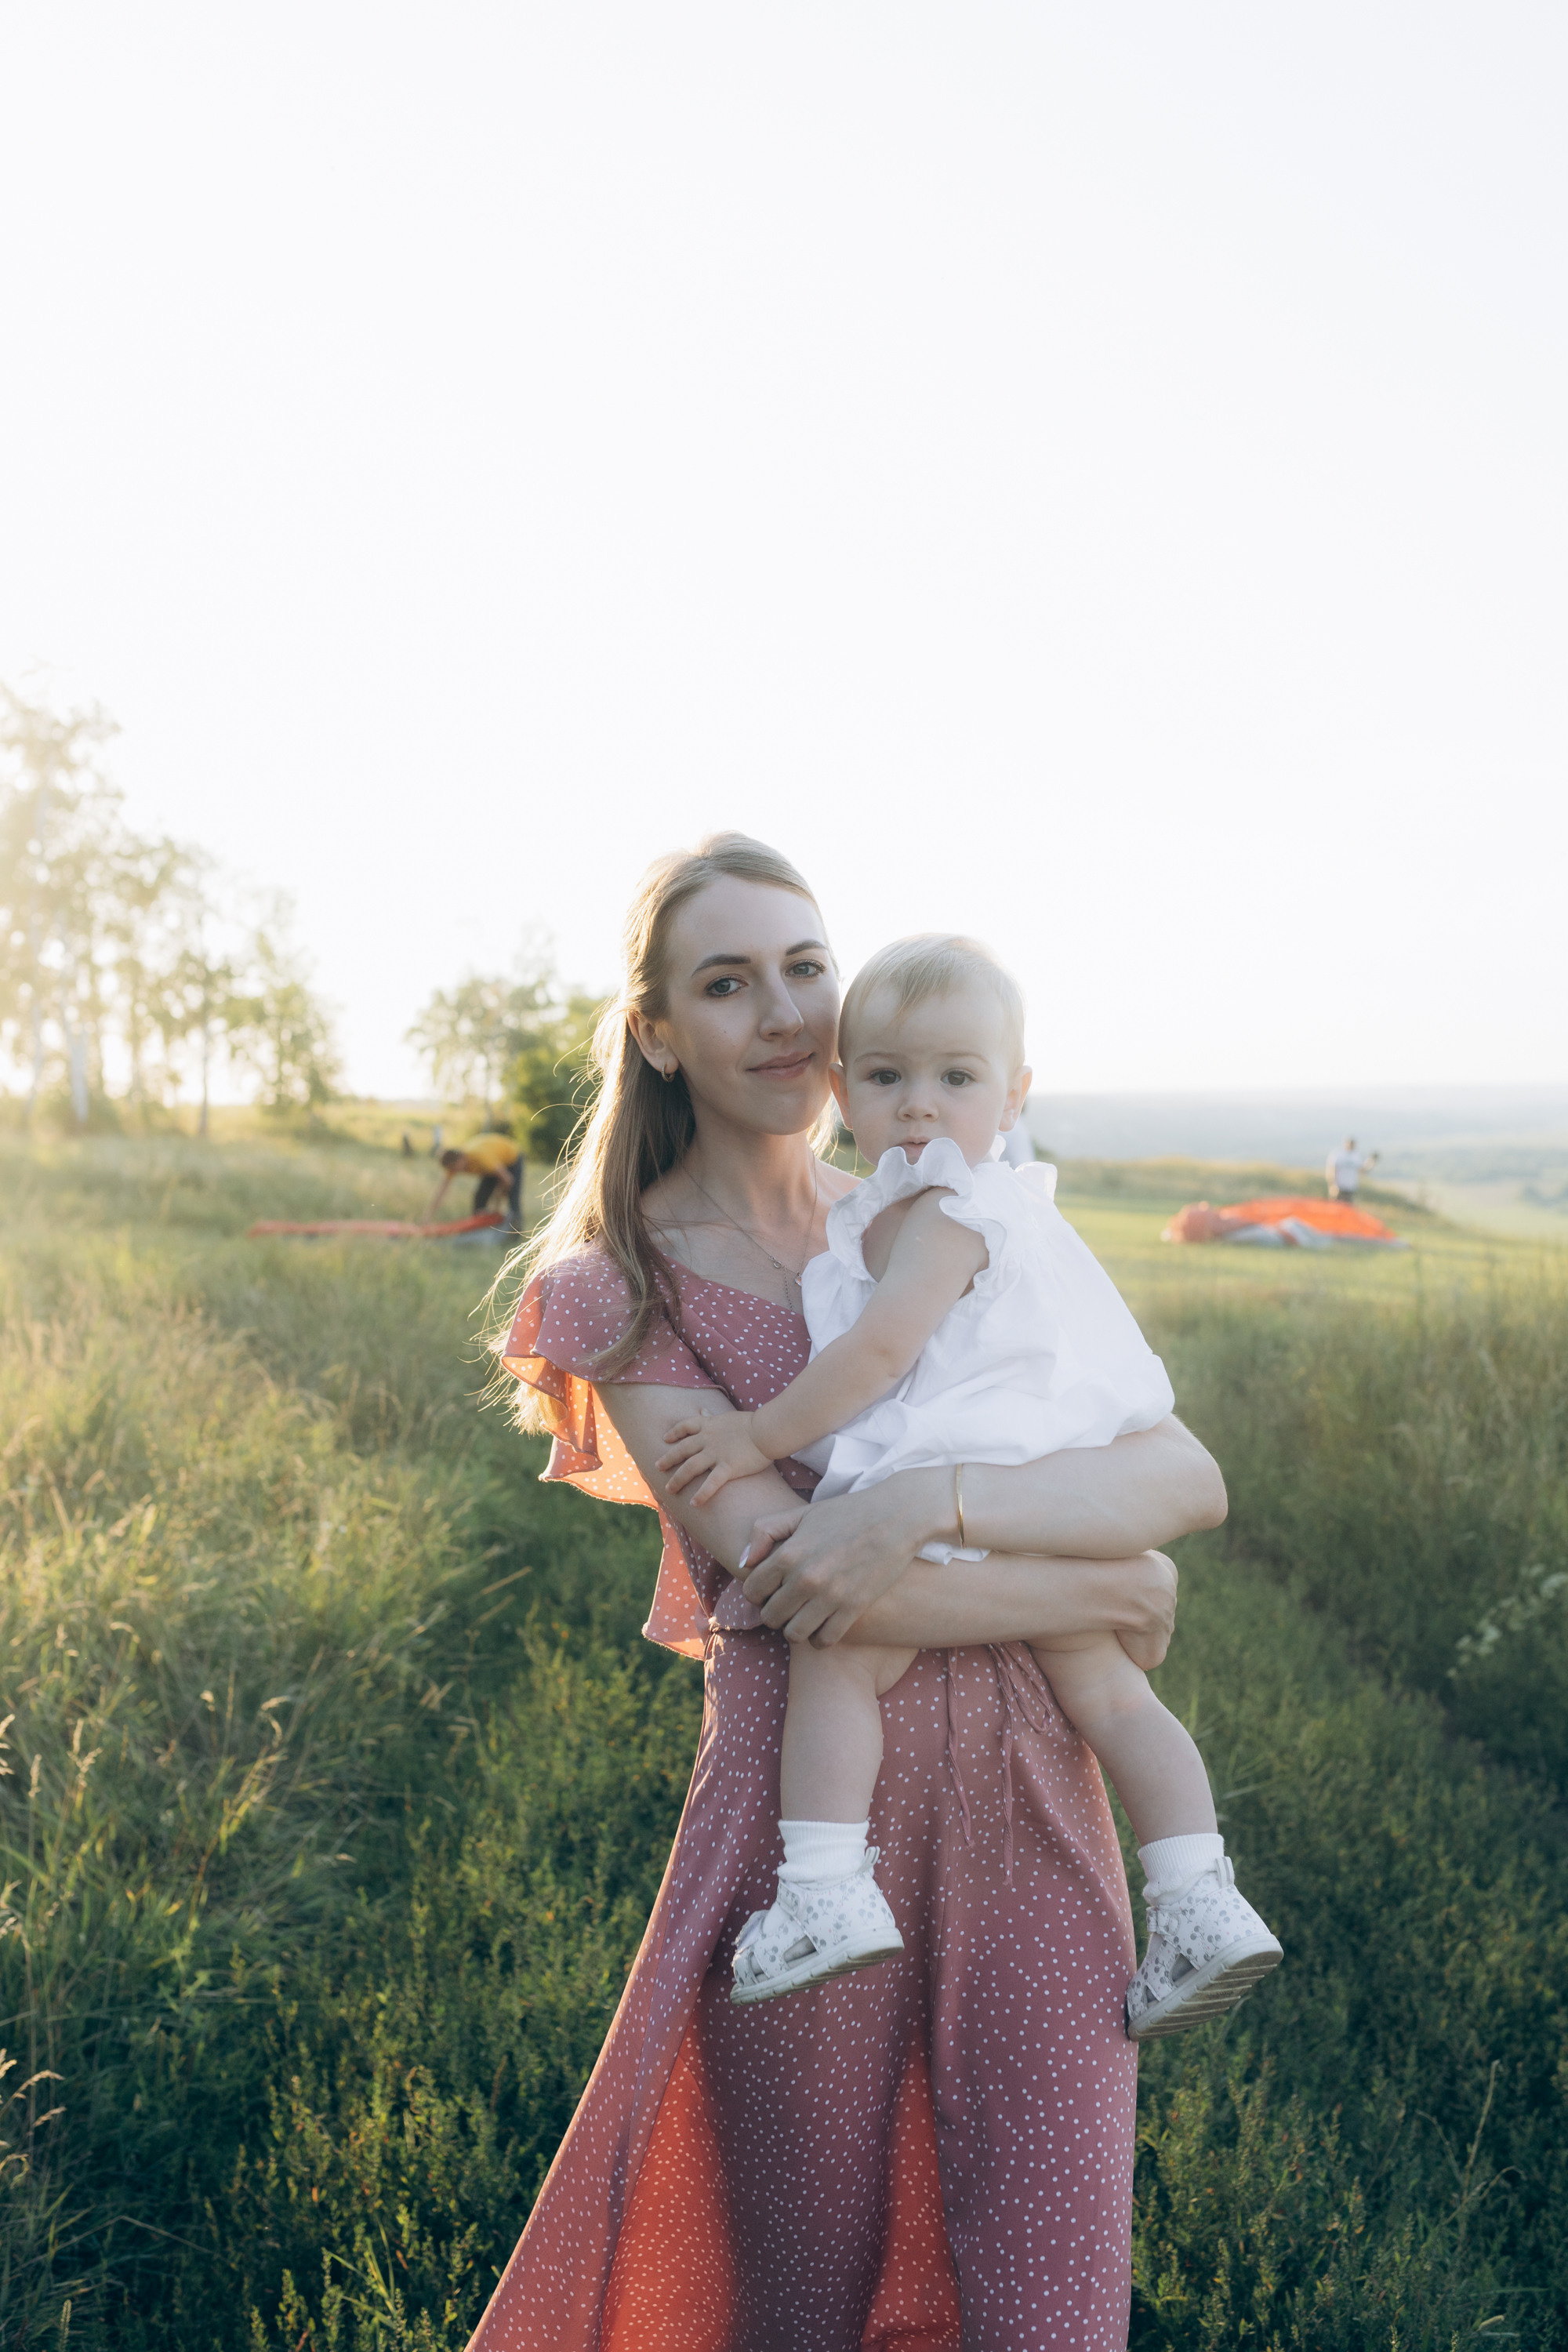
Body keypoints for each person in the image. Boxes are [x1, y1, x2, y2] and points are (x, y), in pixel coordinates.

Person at [467, 834, 1229, 2352]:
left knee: (1051, 2292)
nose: (783, 1013)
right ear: (660, 1030)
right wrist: (1096, 1574)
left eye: (805, 968)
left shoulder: (952, 1210)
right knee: (805, 2294)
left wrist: (944, 1510)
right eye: (727, 982)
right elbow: (799, 1583)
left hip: (1033, 1790)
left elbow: (1180, 1479)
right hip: (804, 1839)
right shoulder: (618, 1290)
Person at [659, 935, 1279, 2034]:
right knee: (1115, 1696)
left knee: (838, 1653)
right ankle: (1198, 1898)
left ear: (1016, 1092)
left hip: (962, 1477)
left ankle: (822, 1889)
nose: (920, 1107)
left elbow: (876, 1360)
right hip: (1046, 1490)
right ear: (842, 1091)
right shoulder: (970, 1203)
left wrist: (760, 1435)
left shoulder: (944, 1208)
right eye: (890, 1078)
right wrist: (1111, 1583)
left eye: (957, 1079)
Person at [426, 1130, 524, 1230]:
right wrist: (427, 1217)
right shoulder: (454, 1165)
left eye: (454, 1168)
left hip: (511, 1157)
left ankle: (516, 1232)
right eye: (451, 1169)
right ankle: (479, 1229)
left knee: (513, 1199)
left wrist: (497, 1203)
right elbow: (441, 1191)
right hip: (493, 1162)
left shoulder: (480, 1157)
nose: (454, 1171)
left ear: (461, 1159)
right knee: (480, 1198)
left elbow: (508, 1180)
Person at [1327, 1135, 1377, 1203]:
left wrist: (1371, 1162)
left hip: (1350, 1188)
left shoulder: (1356, 1156)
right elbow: (1331, 1170)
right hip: (1339, 1187)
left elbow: (1363, 1171)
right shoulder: (1338, 1154)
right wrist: (1332, 1185)